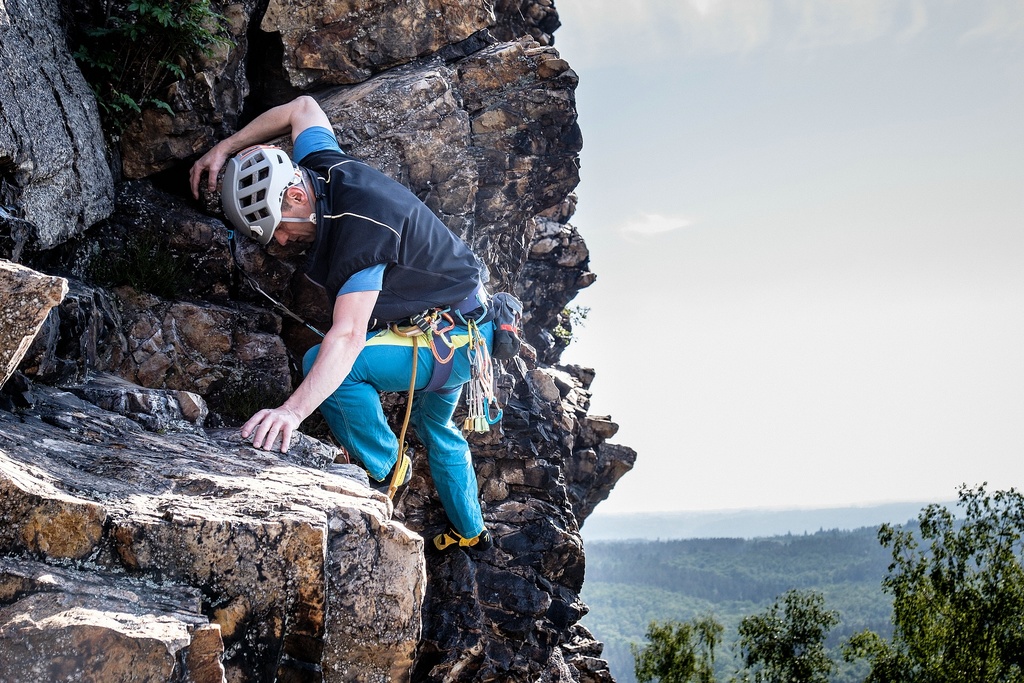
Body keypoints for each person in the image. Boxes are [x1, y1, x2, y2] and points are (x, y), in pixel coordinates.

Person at [189, 95, 492, 552]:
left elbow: (348, 336)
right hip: (468, 330)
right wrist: (227, 148)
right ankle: (472, 534)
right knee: (438, 430)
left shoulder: (358, 231)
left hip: (447, 341)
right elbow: (303, 108)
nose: (282, 240)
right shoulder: (322, 169)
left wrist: (291, 412)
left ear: (294, 195)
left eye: (279, 227)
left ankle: (390, 466)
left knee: (325, 362)